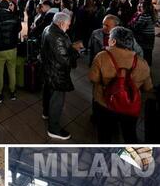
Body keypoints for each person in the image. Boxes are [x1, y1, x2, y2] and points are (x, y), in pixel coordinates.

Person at [88, 26, 152, 144]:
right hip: (129, 106)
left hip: (105, 103)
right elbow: (148, 87)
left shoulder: (101, 57)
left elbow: (93, 78)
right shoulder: (142, 62)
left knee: (104, 134)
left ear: (113, 41)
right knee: (129, 134)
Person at [40, 12, 83, 140]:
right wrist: (76, 51)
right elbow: (65, 60)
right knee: (57, 100)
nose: (68, 28)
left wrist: (70, 46)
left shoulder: (48, 28)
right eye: (68, 25)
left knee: (48, 92)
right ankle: (54, 128)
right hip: (56, 72)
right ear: (61, 23)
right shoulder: (57, 37)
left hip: (48, 69)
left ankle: (46, 113)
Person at [0, 0, 22, 102]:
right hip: (12, 48)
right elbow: (19, 29)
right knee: (12, 71)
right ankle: (12, 93)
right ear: (8, 7)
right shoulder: (14, 17)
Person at [130, 0, 156, 67]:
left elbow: (137, 27)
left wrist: (132, 24)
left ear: (145, 7)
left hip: (145, 36)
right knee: (149, 52)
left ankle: (144, 67)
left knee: (144, 52)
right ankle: (148, 66)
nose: (140, 7)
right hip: (151, 35)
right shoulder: (151, 14)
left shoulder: (144, 16)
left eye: (141, 6)